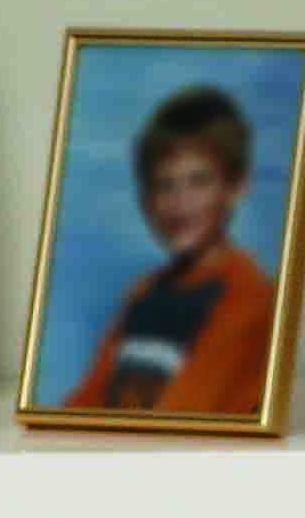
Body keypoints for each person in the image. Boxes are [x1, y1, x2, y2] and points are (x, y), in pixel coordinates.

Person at [55, 82, 281, 415]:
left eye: (198, 181)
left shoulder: (251, 298)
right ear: (146, 199)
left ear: (235, 188)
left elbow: (188, 411)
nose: (180, 203)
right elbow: (87, 401)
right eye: (164, 184)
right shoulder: (144, 293)